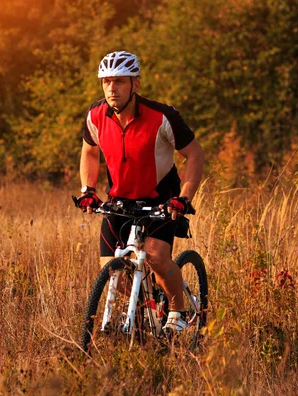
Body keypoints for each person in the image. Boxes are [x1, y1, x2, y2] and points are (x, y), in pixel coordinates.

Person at [77, 50, 205, 333]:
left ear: (135, 84)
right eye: (107, 81)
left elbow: (194, 154)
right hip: (120, 200)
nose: (112, 88)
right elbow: (89, 152)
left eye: (120, 81)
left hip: (162, 199)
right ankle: (148, 301)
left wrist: (184, 198)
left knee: (157, 257)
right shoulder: (96, 116)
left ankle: (178, 310)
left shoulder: (162, 116)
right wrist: (87, 188)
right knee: (112, 270)